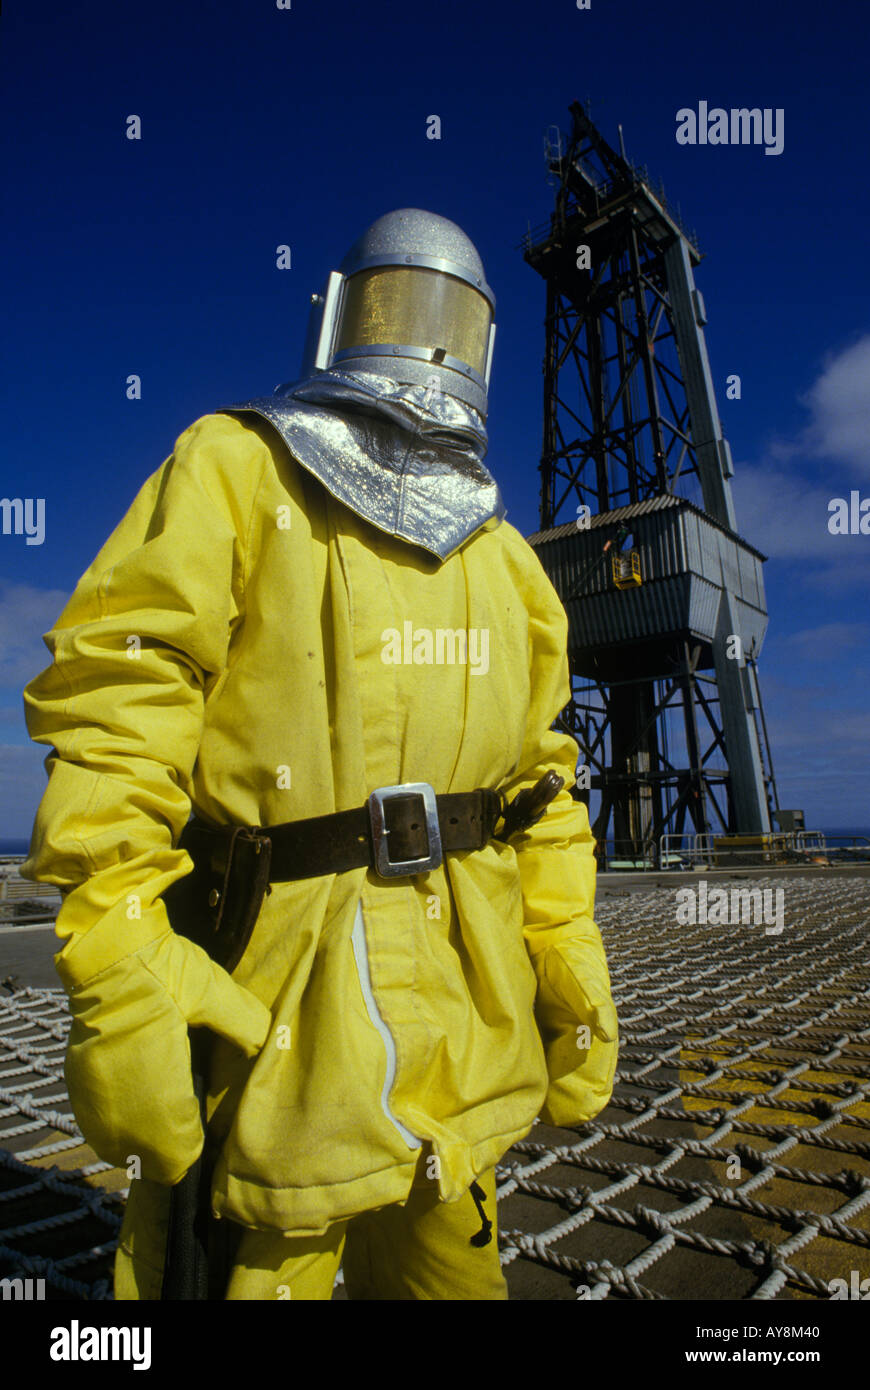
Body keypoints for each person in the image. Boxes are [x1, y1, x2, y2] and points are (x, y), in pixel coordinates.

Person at [21, 208, 619, 1301]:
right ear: (338, 318)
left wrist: (565, 951)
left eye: (450, 319)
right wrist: (121, 960)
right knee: (254, 1258)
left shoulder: (506, 561)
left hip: (464, 1024)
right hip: (278, 1015)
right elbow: (120, 691)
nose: (429, 342)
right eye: (401, 306)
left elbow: (540, 787)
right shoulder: (235, 469)